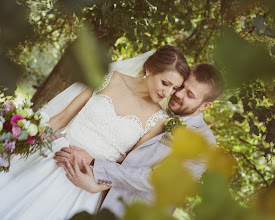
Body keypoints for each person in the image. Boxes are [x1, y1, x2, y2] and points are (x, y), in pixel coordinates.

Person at [0, 45, 190, 220]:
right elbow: (62, 118)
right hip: (54, 156)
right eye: (165, 83)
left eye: (174, 88)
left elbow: (128, 170)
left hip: (83, 181)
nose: (167, 93)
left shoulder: (158, 120)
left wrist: (96, 185)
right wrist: (24, 139)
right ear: (149, 70)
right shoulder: (109, 78)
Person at [55, 63, 224, 217]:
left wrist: (95, 163)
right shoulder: (158, 102)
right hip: (95, 197)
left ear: (205, 105)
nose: (178, 94)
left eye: (190, 94)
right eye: (182, 87)